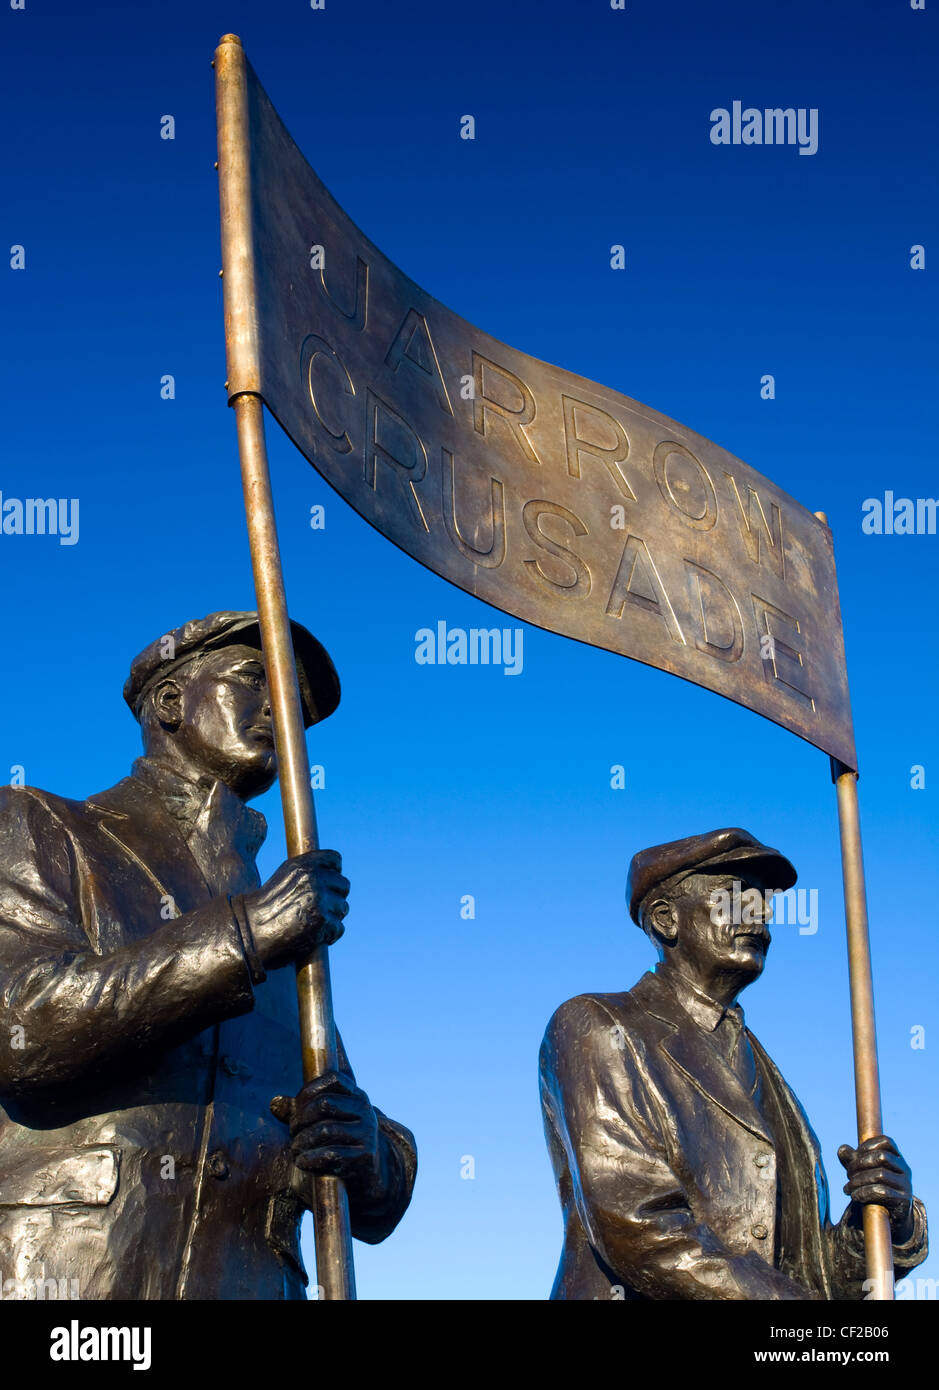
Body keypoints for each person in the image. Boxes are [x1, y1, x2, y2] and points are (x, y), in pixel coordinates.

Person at [0, 611, 415, 1299]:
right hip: (72, 1279)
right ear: (170, 702)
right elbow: (23, 1028)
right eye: (256, 681)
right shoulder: (41, 826)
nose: (281, 716)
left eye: (296, 709)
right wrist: (244, 936)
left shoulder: (288, 921)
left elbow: (368, 1170)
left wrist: (368, 1145)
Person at [540, 827, 927, 1299]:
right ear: (666, 919)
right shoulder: (597, 1026)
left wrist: (885, 1221)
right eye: (734, 900)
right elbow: (639, 1225)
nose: (760, 915)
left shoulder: (767, 1075)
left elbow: (813, 1276)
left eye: (764, 903)